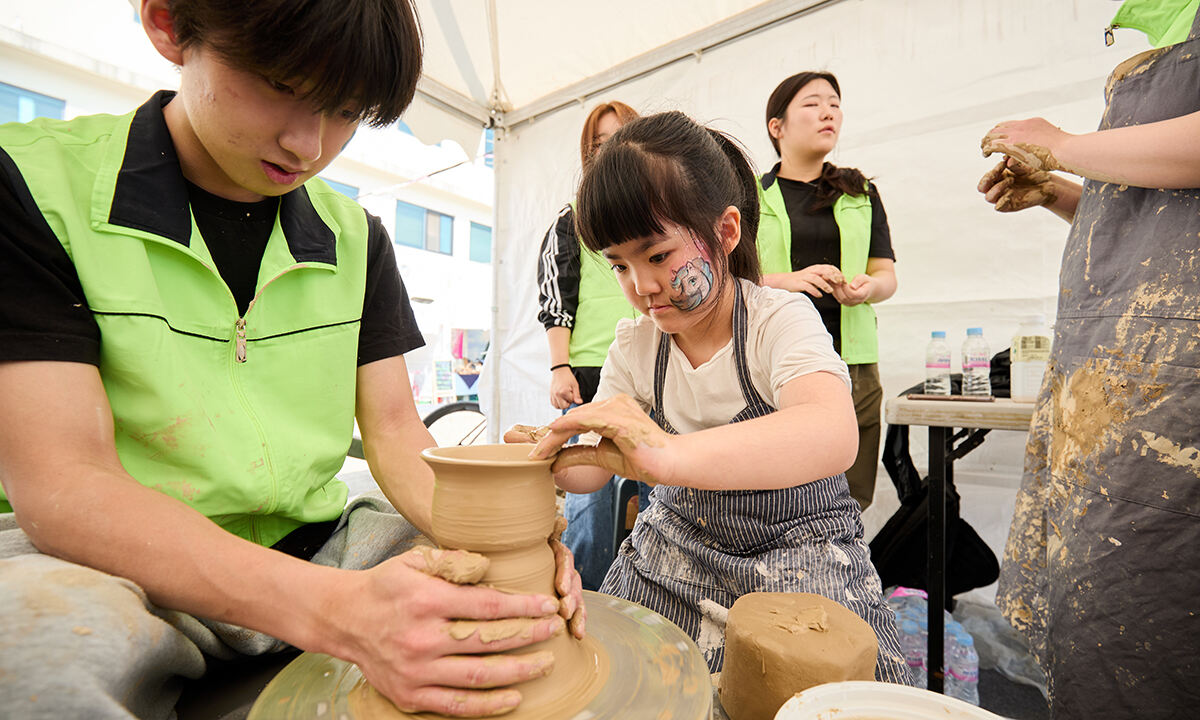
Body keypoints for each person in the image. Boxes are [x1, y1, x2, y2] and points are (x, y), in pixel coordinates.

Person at [0, 2, 580, 718]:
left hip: (320, 546)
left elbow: (396, 433)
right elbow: (64, 482)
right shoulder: (34, 185)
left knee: (496, 589)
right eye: (281, 84)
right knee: (31, 651)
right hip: (112, 564)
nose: (307, 144)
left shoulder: (355, 237)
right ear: (169, 24)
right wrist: (339, 611)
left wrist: (512, 546)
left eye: (346, 111)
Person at [511, 111, 909, 682]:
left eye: (658, 256)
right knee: (614, 676)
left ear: (725, 232)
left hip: (798, 549)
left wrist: (667, 455)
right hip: (676, 545)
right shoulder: (638, 344)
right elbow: (593, 471)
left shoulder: (777, 319)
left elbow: (832, 432)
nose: (642, 287)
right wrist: (546, 455)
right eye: (620, 265)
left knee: (827, 689)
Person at [977, 3, 1200, 717]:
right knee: (1099, 616)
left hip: (1176, 387)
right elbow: (1158, 222)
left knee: (1155, 610)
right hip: (1113, 373)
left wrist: (1062, 143)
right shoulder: (1166, 23)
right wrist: (1061, 191)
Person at [756, 71, 897, 511]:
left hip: (854, 361)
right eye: (812, 103)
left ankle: (841, 557)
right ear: (776, 127)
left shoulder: (861, 193)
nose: (828, 112)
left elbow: (886, 275)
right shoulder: (750, 196)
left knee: (850, 494)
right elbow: (726, 277)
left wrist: (867, 287)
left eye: (834, 104)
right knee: (780, 489)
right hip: (776, 360)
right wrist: (785, 281)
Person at [536, 101, 643, 590]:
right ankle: (584, 592)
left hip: (652, 367)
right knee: (591, 501)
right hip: (589, 373)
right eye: (599, 143)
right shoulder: (572, 218)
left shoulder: (655, 210)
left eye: (620, 137)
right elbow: (556, 296)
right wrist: (559, 367)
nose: (609, 150)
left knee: (658, 488)